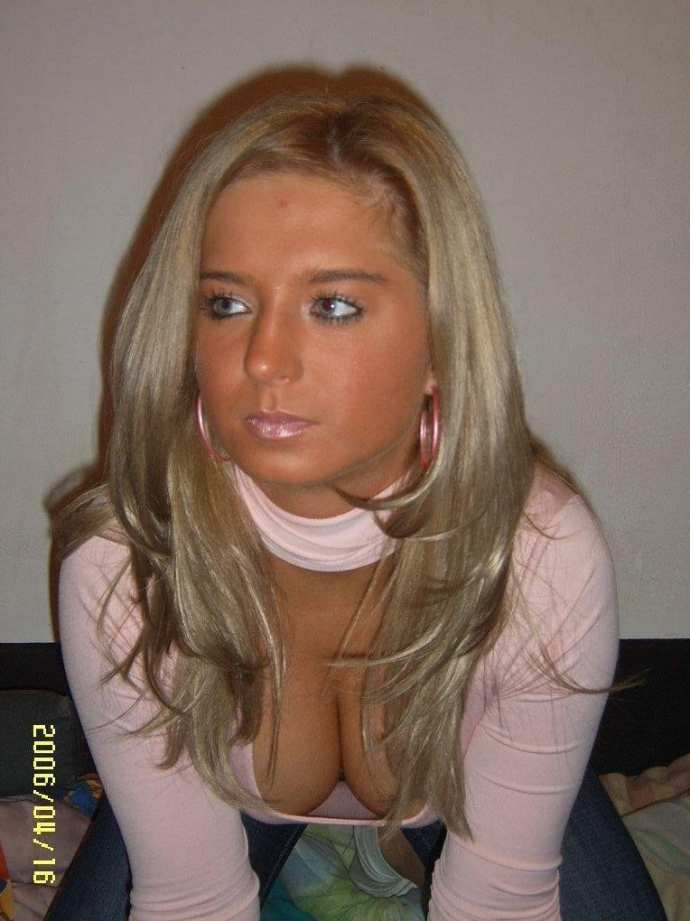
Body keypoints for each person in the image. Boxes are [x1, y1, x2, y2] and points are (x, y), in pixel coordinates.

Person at [48, 90, 666, 920]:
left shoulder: (537, 552)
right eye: (226, 302)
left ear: (442, 340)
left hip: (461, 791)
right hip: (228, 797)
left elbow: (502, 904)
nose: (263, 358)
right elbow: (189, 900)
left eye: (333, 304)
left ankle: (407, 840)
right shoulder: (128, 559)